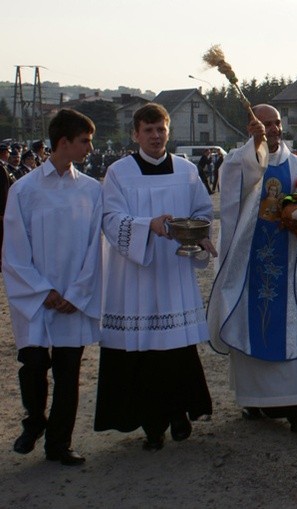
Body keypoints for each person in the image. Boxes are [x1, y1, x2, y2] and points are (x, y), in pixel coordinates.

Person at [208, 104, 297, 434]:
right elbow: (243, 180)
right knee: (252, 325)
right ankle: (256, 400)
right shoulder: (239, 162)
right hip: (252, 267)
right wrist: (255, 148)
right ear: (251, 128)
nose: (273, 129)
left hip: (290, 268)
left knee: (291, 330)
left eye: (276, 123)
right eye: (265, 124)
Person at [95, 103, 215, 451]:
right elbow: (110, 219)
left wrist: (200, 234)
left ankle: (178, 415)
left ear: (168, 132)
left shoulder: (187, 171)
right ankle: (151, 426)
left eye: (160, 129)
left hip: (174, 271)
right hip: (136, 275)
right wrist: (147, 226)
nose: (155, 136)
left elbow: (202, 211)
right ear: (135, 134)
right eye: (147, 130)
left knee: (175, 350)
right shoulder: (119, 172)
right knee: (144, 352)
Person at [3, 109, 102, 465]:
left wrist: (76, 294)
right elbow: (14, 247)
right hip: (37, 299)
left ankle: (59, 444)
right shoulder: (25, 189)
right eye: (85, 141)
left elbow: (95, 248)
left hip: (72, 299)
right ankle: (35, 421)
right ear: (64, 142)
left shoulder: (91, 191)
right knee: (32, 364)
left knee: (68, 372)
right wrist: (43, 291)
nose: (90, 148)